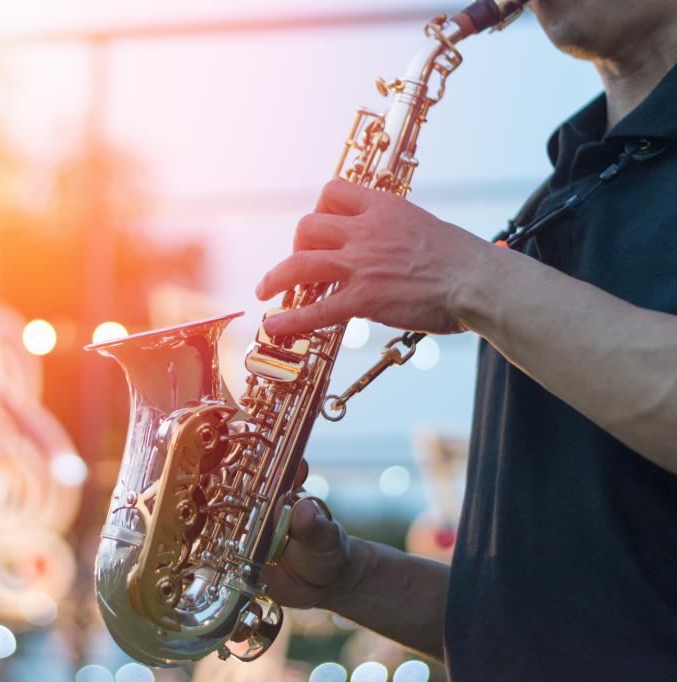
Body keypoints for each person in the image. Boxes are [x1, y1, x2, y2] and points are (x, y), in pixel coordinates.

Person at [255, 0, 677, 678]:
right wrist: (347, 576)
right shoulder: (557, 199)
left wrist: (467, 276)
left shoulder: (501, 266)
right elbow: (564, 623)